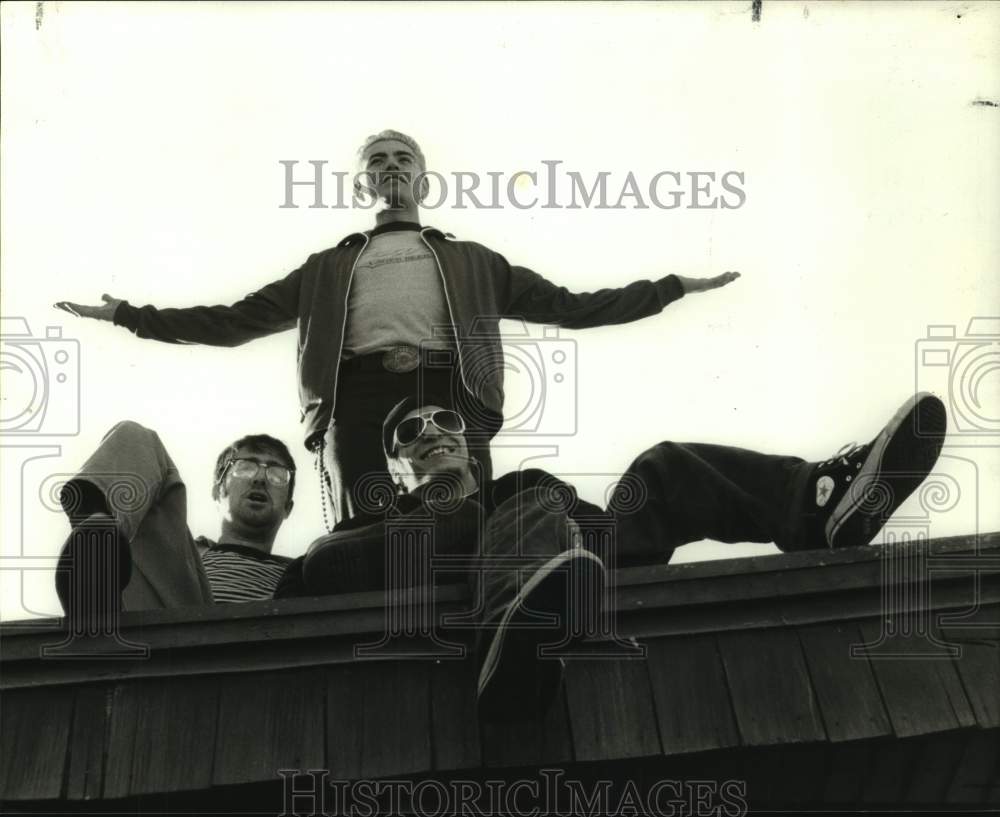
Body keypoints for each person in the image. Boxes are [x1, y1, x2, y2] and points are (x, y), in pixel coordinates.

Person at [53, 129, 739, 531]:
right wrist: (130, 316)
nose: (389, 168)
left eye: (400, 160)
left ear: (422, 179)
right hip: (355, 398)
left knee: (464, 513)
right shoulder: (327, 267)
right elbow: (233, 320)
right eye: (375, 162)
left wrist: (669, 288)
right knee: (369, 521)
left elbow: (575, 304)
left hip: (449, 388)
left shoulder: (473, 261)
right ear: (360, 187)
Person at [276, 390, 948, 721]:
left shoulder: (527, 488)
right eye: (410, 435)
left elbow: (602, 530)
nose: (430, 434)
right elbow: (322, 569)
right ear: (399, 464)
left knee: (660, 467)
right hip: (442, 558)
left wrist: (558, 527)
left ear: (468, 439)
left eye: (443, 422)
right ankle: (519, 621)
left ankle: (818, 506)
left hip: (576, 556)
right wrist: (445, 504)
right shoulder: (386, 515)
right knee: (521, 503)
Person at [55, 421, 297, 623]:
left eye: (277, 475)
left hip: (259, 644)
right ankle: (96, 554)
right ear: (217, 491)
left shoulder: (301, 573)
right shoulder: (181, 558)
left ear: (288, 507)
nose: (260, 479)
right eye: (245, 468)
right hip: (175, 617)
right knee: (137, 437)